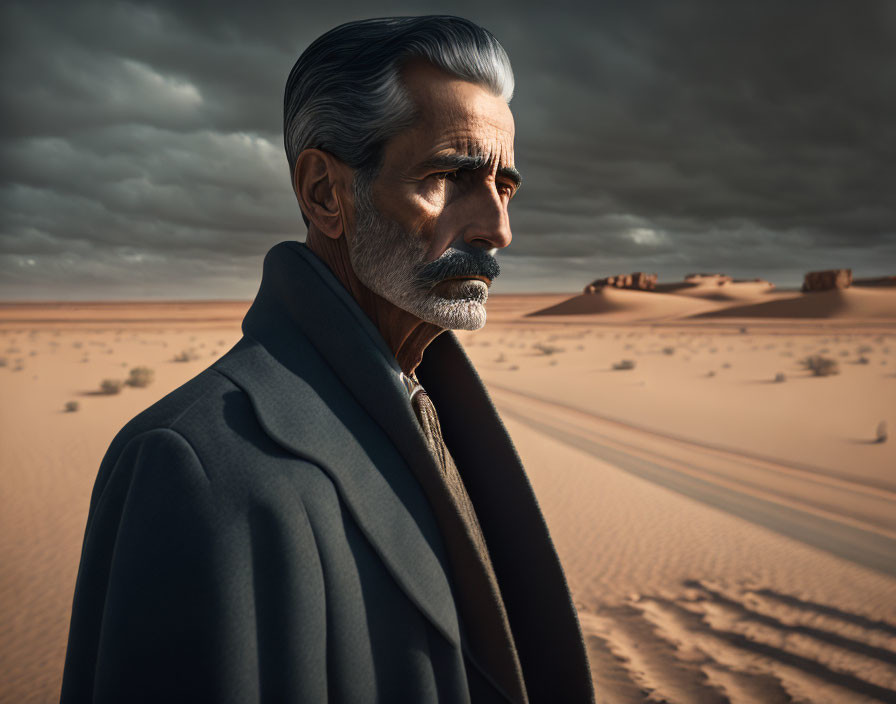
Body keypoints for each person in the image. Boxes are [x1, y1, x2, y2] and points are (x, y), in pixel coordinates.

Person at [60, 16, 594, 704]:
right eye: (450, 178)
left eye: (504, 186)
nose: (498, 228)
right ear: (323, 193)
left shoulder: (431, 406)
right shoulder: (193, 464)